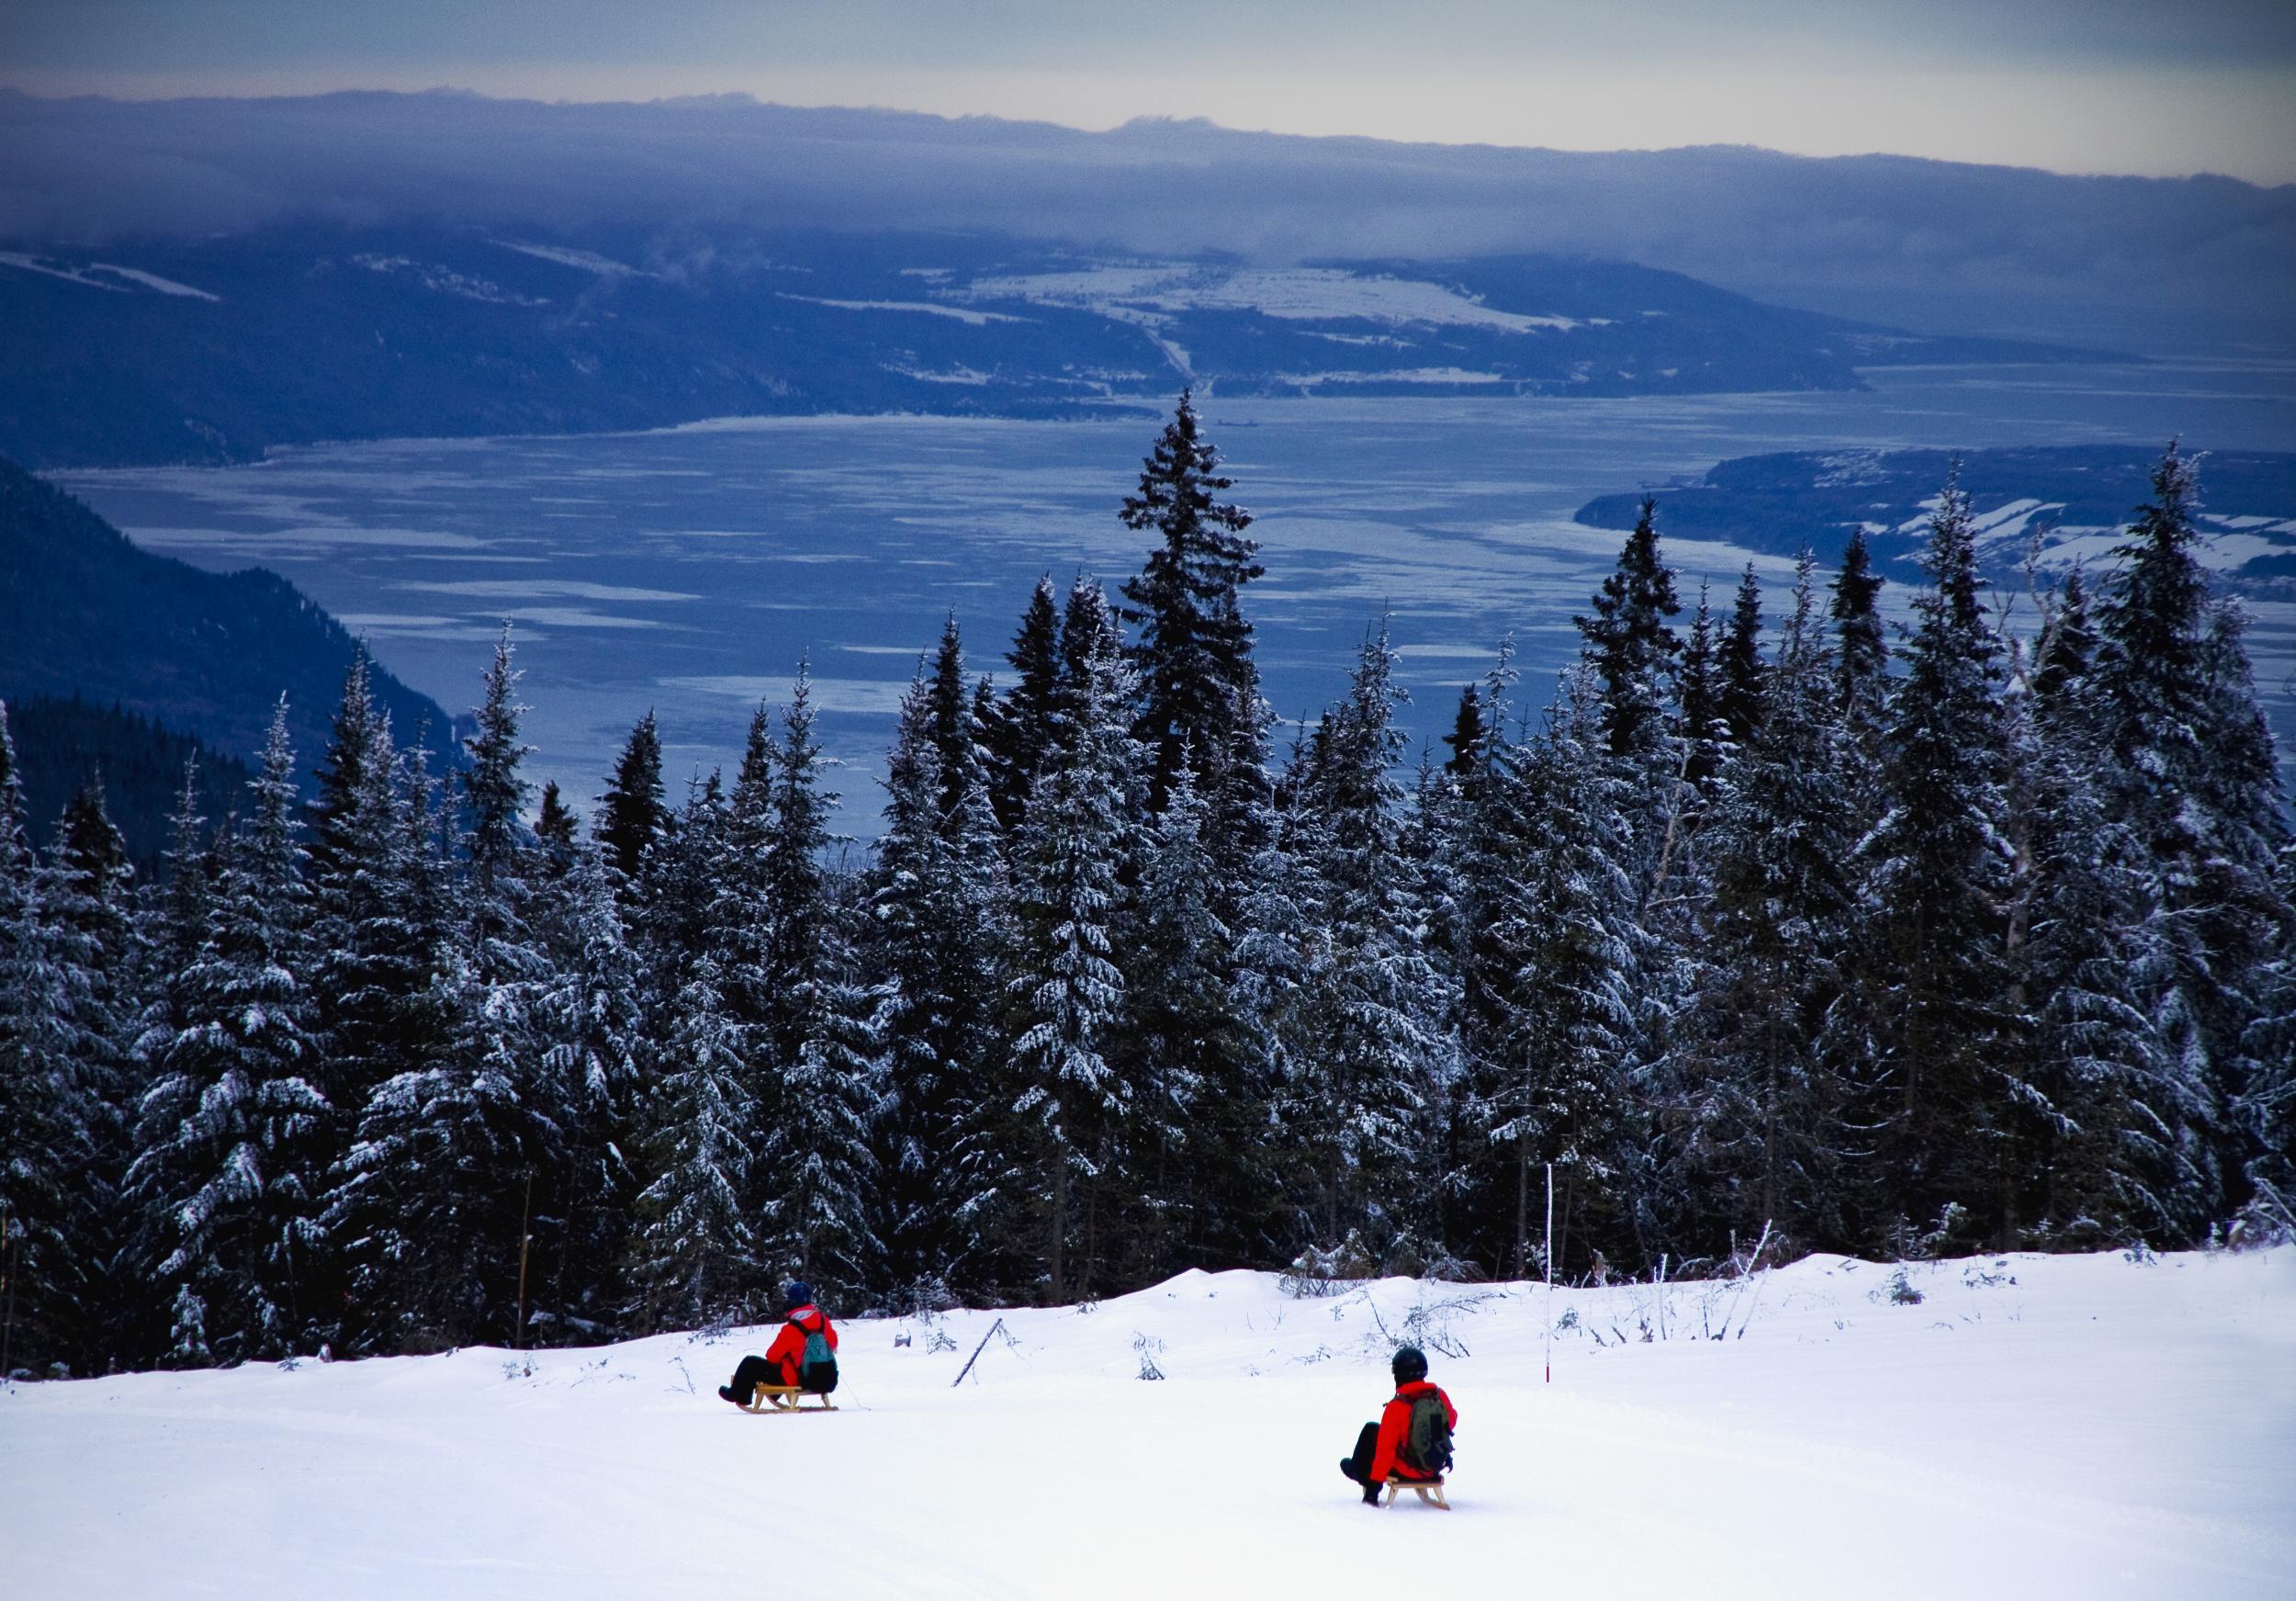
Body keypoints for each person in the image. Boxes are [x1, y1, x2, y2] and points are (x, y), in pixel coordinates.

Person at [1338, 1346, 1458, 1505]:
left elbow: (1385, 1451)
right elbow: (1451, 1420)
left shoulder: (1397, 1406)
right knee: (1381, 1432)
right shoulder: (1438, 1395)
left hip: (1407, 1470)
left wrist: (1373, 1489)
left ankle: (1357, 1470)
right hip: (1434, 1467)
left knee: (1371, 1430)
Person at [717, 1282, 840, 1406]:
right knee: (785, 1364)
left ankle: (738, 1395)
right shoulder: (823, 1322)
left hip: (801, 1380)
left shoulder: (791, 1329)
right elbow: (834, 1343)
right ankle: (772, 1394)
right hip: (827, 1379)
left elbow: (772, 1356)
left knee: (750, 1363)